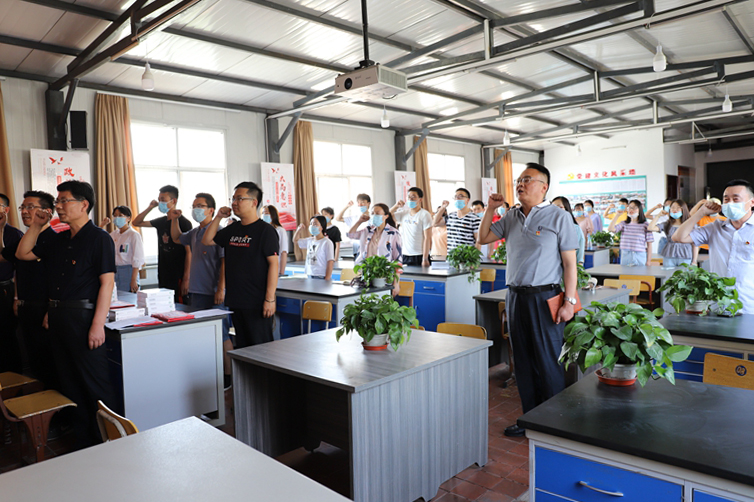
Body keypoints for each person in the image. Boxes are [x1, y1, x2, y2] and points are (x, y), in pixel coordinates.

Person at [477, 163, 579, 437]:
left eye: (527, 180)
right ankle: (530, 420)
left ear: (544, 187)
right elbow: (483, 238)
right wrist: (490, 209)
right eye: (519, 180)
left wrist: (569, 302)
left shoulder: (559, 217)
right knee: (522, 362)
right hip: (515, 297)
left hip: (545, 297)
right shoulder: (511, 216)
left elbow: (570, 265)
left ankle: (553, 425)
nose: (520, 184)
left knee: (548, 362)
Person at [16, 180, 117, 449]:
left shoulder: (99, 238)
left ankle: (110, 442)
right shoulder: (59, 239)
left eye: (64, 201)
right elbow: (23, 253)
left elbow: (107, 283)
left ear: (83, 205)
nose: (58, 206)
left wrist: (98, 325)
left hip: (83, 319)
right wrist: (36, 226)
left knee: (95, 385)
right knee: (69, 382)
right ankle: (84, 442)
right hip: (58, 317)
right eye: (57, 201)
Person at [201, 182, 279, 348]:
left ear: (254, 202)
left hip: (257, 301)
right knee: (243, 346)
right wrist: (218, 217)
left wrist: (270, 299)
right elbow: (207, 240)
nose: (234, 203)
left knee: (261, 347)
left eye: (240, 199)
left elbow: (274, 265)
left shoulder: (265, 231)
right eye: (233, 199)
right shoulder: (233, 229)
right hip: (236, 299)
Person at [170, 193, 233, 389]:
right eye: (194, 206)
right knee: (202, 335)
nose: (195, 209)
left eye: (200, 206)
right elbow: (177, 238)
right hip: (197, 291)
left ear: (211, 210)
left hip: (214, 292)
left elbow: (225, 262)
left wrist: (221, 288)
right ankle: (211, 374)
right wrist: (174, 220)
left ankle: (229, 376)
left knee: (222, 334)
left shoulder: (218, 232)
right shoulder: (195, 232)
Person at [1, 190, 57, 387]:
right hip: (26, 307)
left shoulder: (52, 239)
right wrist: (17, 298)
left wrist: (51, 309)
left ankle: (54, 404)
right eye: (22, 207)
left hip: (44, 308)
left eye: (30, 207)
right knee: (34, 362)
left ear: (47, 212)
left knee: (48, 363)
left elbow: (56, 279)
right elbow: (8, 260)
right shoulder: (24, 239)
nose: (24, 211)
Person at [673, 179, 754, 314]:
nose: (730, 203)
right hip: (718, 304)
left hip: (749, 305)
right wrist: (701, 213)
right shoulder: (715, 227)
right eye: (726, 199)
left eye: (736, 199)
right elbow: (678, 237)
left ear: (752, 202)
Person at [132, 185, 192, 302]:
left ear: (173, 201)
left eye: (163, 200)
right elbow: (136, 222)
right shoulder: (161, 221)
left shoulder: (184, 223)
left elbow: (189, 252)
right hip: (163, 272)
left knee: (179, 305)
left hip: (178, 273)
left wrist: (186, 278)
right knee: (165, 303)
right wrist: (150, 207)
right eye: (159, 199)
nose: (160, 202)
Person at [0, 192, 24, 372]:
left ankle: (13, 377)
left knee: (6, 336)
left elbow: (19, 269)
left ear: (6, 210)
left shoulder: (14, 234)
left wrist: (16, 297)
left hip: (5, 290)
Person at [101, 206, 144, 293]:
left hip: (128, 271)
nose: (117, 218)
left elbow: (138, 259)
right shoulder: (113, 234)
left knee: (128, 297)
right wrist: (102, 225)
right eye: (115, 215)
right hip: (115, 271)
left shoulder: (133, 235)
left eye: (120, 215)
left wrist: (133, 280)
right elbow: (99, 239)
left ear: (128, 218)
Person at [648, 199, 697, 268]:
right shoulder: (667, 224)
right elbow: (650, 228)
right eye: (672, 207)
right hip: (669, 255)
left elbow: (695, 244)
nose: (675, 210)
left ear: (684, 209)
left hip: (685, 255)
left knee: (683, 274)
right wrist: (658, 215)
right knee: (668, 274)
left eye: (678, 208)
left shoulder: (690, 224)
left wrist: (694, 261)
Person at [391, 187, 432, 267]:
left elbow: (427, 238)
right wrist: (396, 206)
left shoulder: (425, 215)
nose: (410, 199)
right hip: (404, 254)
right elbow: (386, 215)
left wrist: (425, 258)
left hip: (419, 255)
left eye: (413, 197)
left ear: (420, 200)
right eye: (409, 197)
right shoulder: (403, 213)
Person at [433, 188, 480, 253]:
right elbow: (435, 223)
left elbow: (478, 240)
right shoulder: (451, 216)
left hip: (467, 256)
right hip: (452, 256)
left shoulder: (474, 218)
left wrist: (475, 257)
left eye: (460, 196)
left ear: (467, 200)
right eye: (456, 197)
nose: (457, 198)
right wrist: (443, 207)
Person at [608, 199, 653, 267]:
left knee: (640, 273)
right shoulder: (624, 223)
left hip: (640, 255)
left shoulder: (646, 225)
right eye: (630, 207)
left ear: (640, 210)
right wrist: (617, 215)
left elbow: (649, 244)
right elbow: (611, 229)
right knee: (625, 273)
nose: (631, 210)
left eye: (634, 208)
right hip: (626, 254)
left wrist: (648, 261)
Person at [293, 215, 335, 280]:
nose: (312, 226)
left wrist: (327, 279)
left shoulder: (327, 242)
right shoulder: (310, 240)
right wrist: (299, 229)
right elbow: (295, 241)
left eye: (315, 224)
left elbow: (330, 262)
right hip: (309, 274)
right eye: (311, 224)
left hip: (321, 275)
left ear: (321, 227)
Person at [552, 196, 585, 265]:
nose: (556, 210)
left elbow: (580, 255)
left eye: (560, 207)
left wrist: (579, 266)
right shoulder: (549, 228)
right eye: (553, 208)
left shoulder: (575, 228)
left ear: (566, 209)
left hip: (568, 267)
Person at [261, 205, 289, 276]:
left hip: (275, 268)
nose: (264, 215)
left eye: (266, 213)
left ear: (272, 215)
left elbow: (283, 252)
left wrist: (281, 272)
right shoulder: (261, 230)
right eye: (263, 213)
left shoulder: (280, 230)